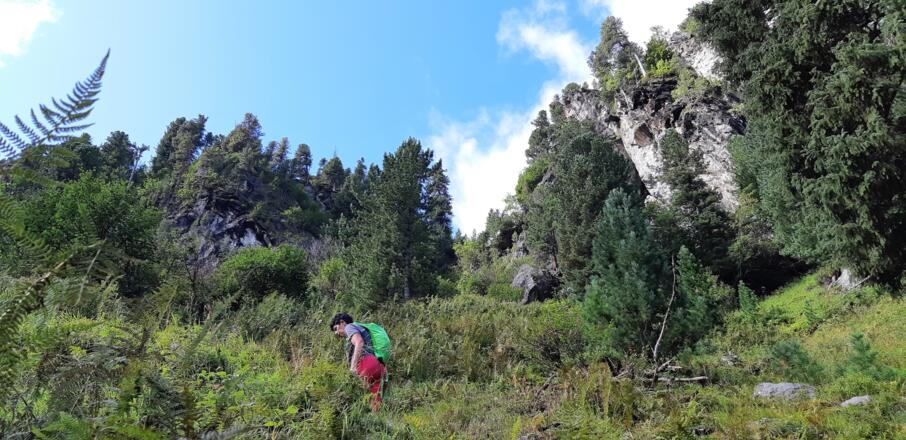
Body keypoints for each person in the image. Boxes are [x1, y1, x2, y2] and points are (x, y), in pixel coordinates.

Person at [330, 312, 387, 411]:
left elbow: (359, 342)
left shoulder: (349, 327)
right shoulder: (362, 328)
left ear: (342, 322)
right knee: (375, 405)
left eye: (336, 329)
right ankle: (376, 423)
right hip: (379, 366)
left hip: (366, 364)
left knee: (350, 394)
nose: (336, 333)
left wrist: (352, 367)